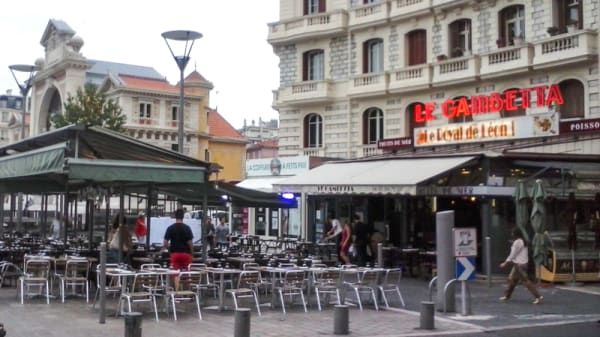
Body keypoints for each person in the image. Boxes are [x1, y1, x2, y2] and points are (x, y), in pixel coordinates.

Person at [499, 228, 543, 304]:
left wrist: (505, 263)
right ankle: (507, 296)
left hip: (519, 265)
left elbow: (512, 254)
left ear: (516, 234)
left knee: (525, 281)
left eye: (513, 233)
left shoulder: (517, 242)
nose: (511, 234)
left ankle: (538, 296)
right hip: (522, 264)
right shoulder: (523, 241)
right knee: (512, 281)